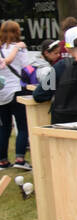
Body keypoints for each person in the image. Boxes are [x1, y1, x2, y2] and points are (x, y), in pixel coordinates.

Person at [0, 21, 32, 170]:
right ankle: (20, 159)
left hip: (1, 93)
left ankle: (3, 161)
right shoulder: (19, 48)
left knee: (4, 127)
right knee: (23, 125)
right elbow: (27, 67)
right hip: (16, 89)